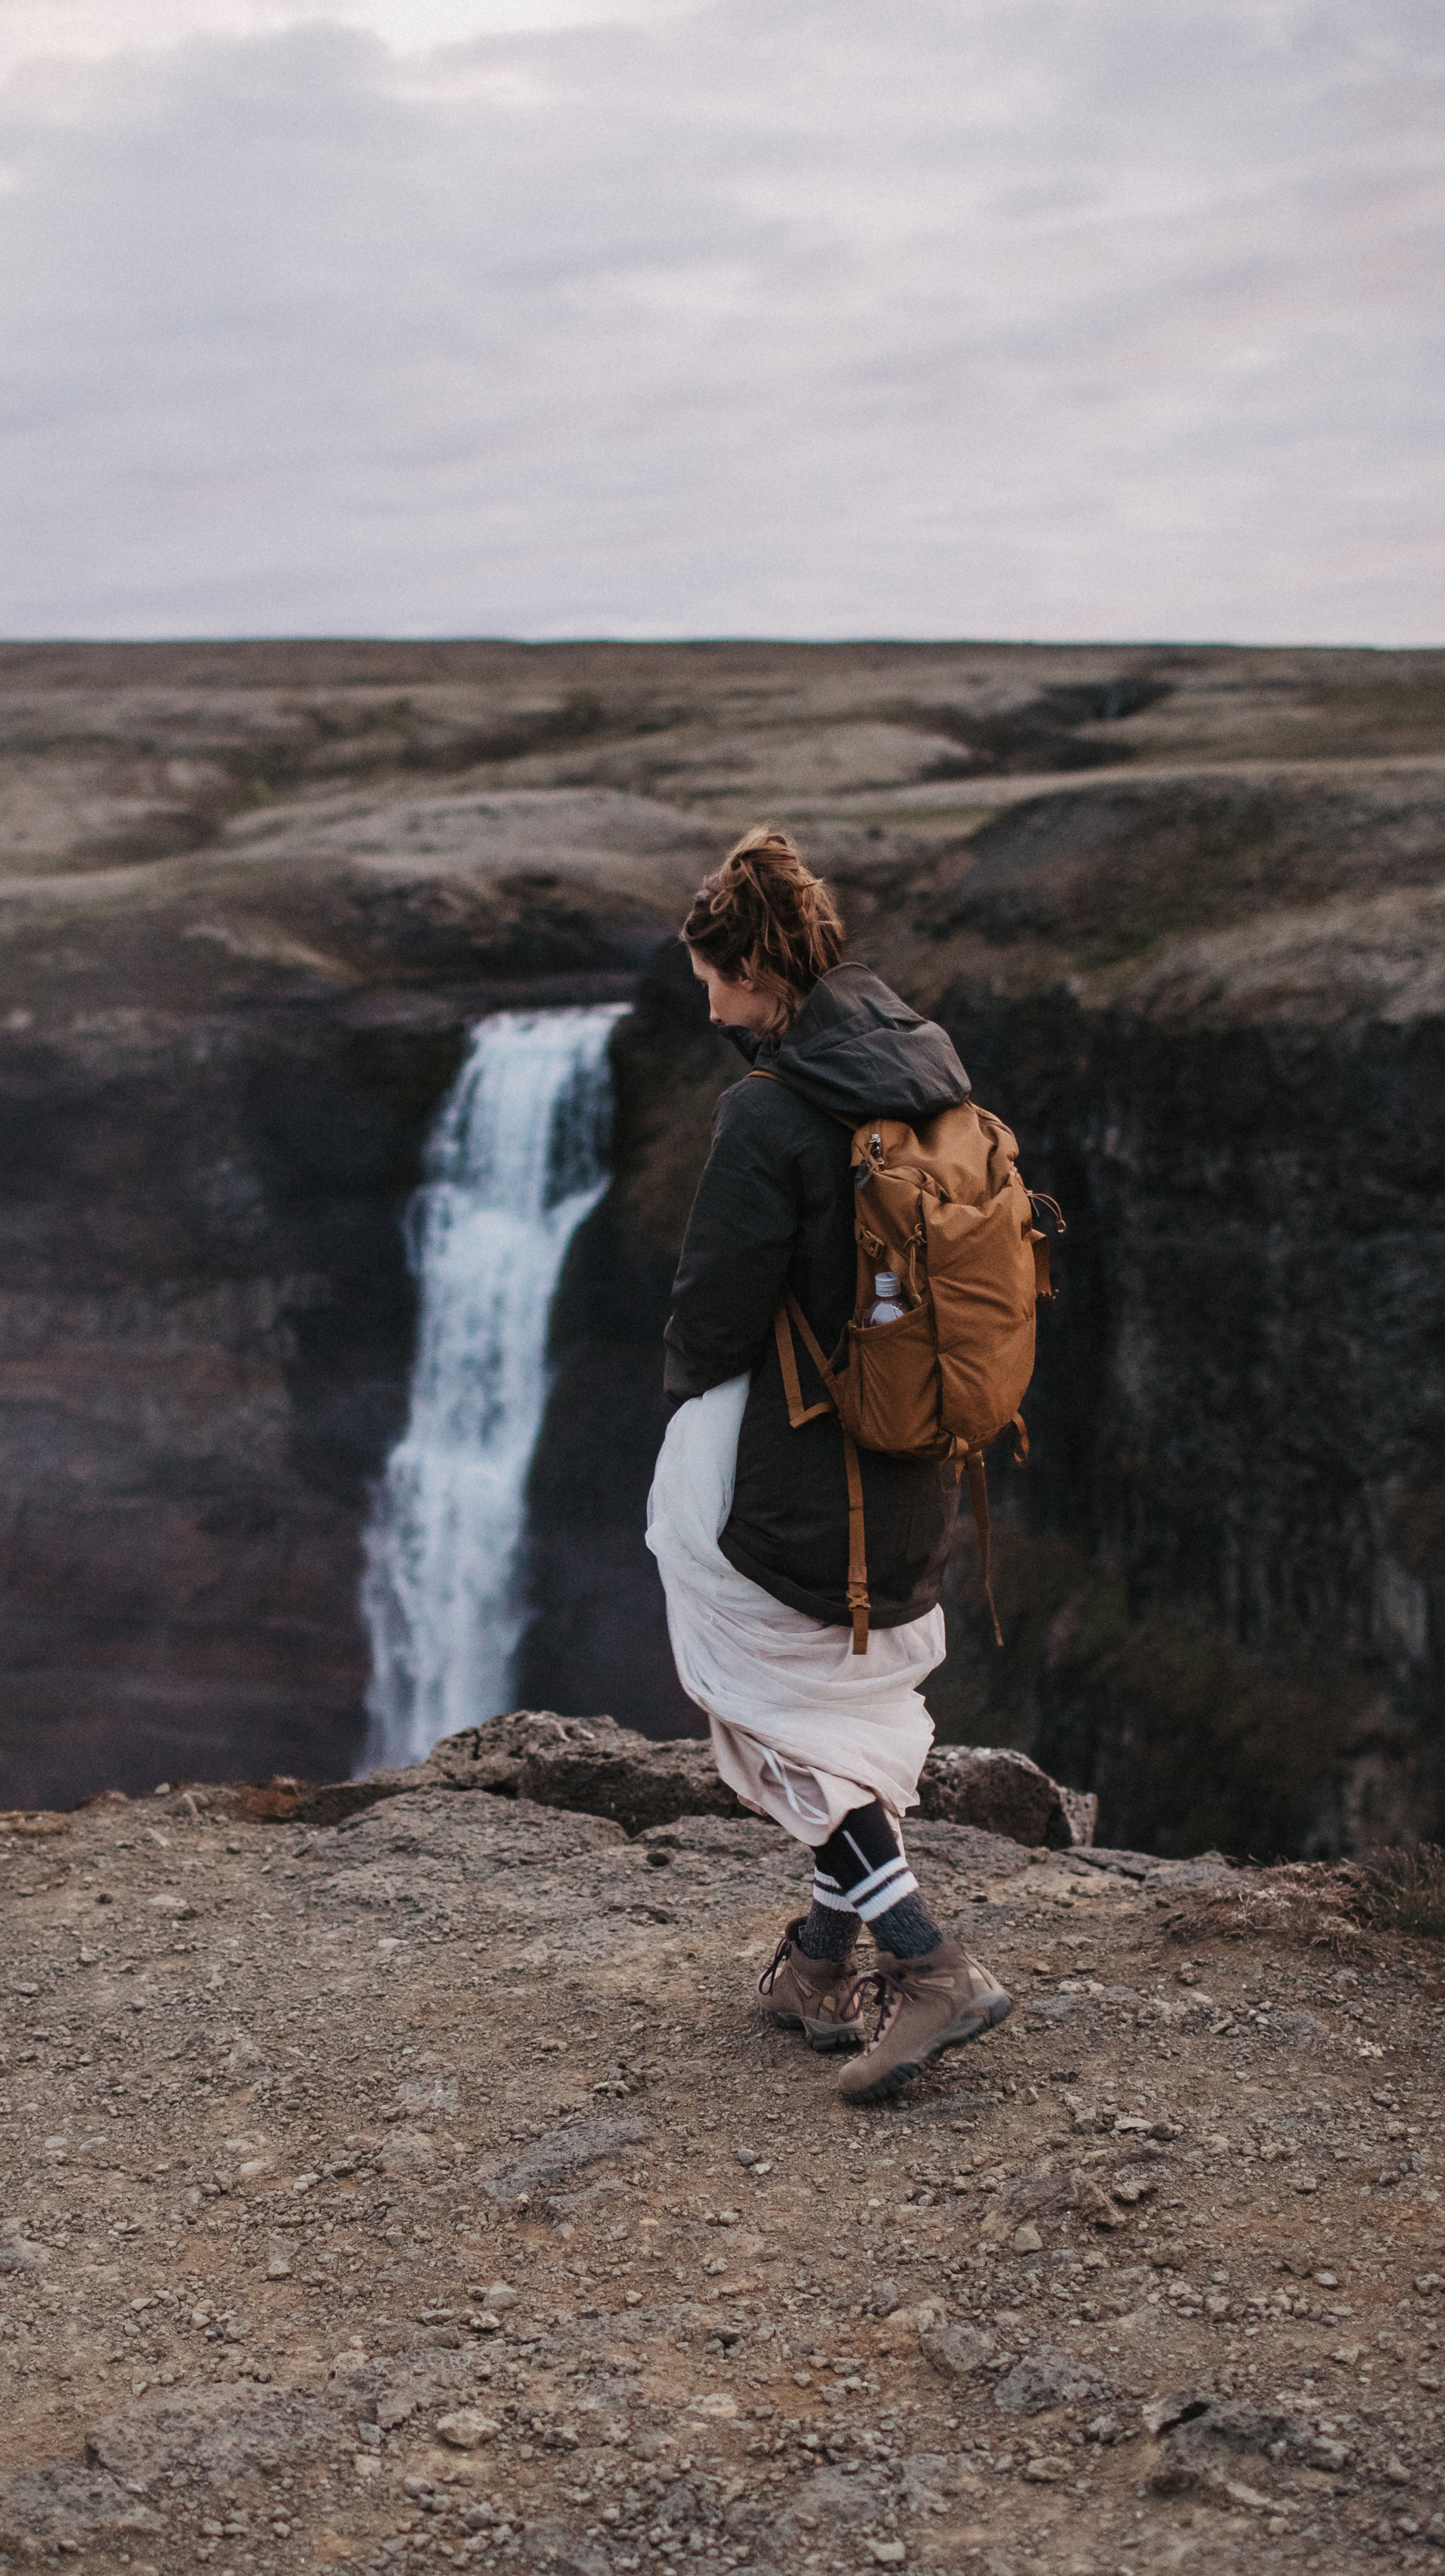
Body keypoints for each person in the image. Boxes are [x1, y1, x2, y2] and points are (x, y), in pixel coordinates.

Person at [645, 825, 1011, 2102]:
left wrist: (688, 1411)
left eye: (712, 980)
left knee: (769, 1708)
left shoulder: (773, 1112)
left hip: (806, 1489)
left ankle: (928, 1964)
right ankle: (818, 1961)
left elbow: (717, 1307)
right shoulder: (932, 1083)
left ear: (756, 969)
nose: (705, 1004)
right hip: (918, 1468)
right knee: (835, 1715)